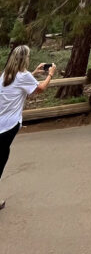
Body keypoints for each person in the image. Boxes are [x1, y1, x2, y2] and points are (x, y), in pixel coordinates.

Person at [0, 45, 56, 209]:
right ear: (25, 59)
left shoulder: (6, 75)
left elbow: (20, 86)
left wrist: (35, 73)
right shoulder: (22, 76)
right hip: (9, 125)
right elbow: (39, 89)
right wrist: (50, 75)